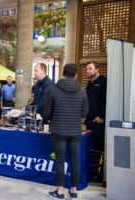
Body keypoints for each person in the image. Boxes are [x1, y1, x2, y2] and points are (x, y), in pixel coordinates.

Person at [43, 64, 88, 199]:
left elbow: (47, 113)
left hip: (58, 130)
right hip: (75, 130)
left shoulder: (53, 90)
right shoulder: (82, 91)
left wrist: (53, 117)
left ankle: (60, 191)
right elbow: (85, 112)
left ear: (63, 73)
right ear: (76, 75)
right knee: (75, 160)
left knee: (59, 161)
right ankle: (73, 191)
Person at [85, 61, 107, 182]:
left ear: (97, 69)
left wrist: (102, 116)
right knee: (92, 148)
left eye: (90, 69)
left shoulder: (104, 82)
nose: (87, 71)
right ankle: (92, 174)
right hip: (89, 121)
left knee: (101, 148)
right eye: (87, 69)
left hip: (100, 122)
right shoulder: (89, 83)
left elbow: (107, 100)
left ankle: (101, 176)